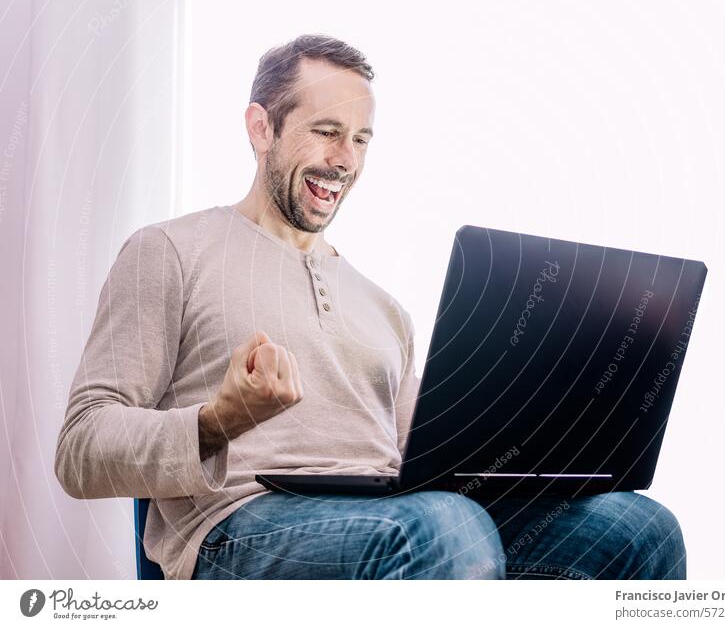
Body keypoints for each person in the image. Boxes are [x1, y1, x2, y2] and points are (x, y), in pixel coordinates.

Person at [54, 34, 686, 580]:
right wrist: (216, 421)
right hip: (240, 528)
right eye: (326, 132)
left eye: (360, 139)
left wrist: (544, 431)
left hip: (404, 515)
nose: (345, 160)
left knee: (638, 528)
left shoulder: (385, 310)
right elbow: (80, 449)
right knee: (444, 528)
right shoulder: (169, 251)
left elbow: (435, 460)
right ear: (260, 127)